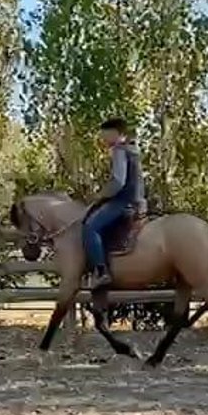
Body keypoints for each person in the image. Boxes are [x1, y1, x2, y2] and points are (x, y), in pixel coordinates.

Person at [83, 117, 145, 289]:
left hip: (122, 201)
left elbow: (118, 181)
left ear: (117, 134)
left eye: (105, 135)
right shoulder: (133, 150)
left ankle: (101, 271)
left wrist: (100, 196)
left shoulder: (119, 150)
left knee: (90, 227)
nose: (103, 140)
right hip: (135, 201)